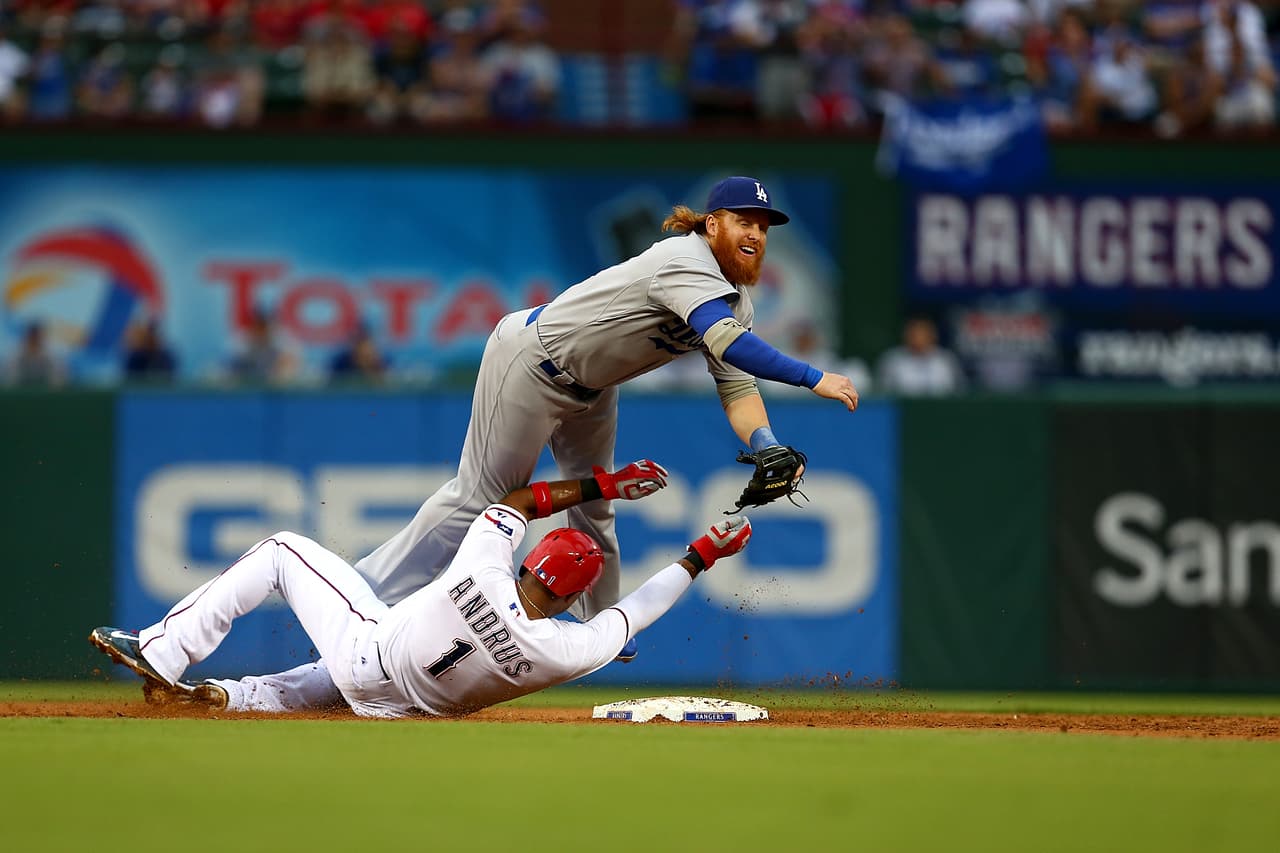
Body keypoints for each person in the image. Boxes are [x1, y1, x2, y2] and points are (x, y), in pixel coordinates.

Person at [192, 174, 857, 712]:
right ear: (712, 224)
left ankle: (605, 628)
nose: (756, 234)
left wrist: (766, 440)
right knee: (482, 499)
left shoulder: (734, 301)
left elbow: (737, 389)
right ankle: (363, 591)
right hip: (533, 359)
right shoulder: (684, 260)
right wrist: (813, 376)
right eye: (744, 220)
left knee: (597, 508)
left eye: (765, 227)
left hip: (593, 387)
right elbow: (728, 342)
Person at [90, 461, 754, 718]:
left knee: (282, 549)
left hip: (367, 655)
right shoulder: (564, 649)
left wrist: (605, 486)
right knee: (299, 688)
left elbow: (517, 500)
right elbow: (634, 611)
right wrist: (702, 553)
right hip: (397, 713)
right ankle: (215, 700)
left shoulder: (484, 567)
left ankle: (166, 651)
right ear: (572, 596)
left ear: (534, 560)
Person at [876, 315, 965, 396]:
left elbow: (959, 391)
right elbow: (882, 393)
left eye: (923, 332)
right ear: (906, 335)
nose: (918, 337)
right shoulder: (891, 360)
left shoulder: (946, 359)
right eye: (914, 333)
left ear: (933, 335)